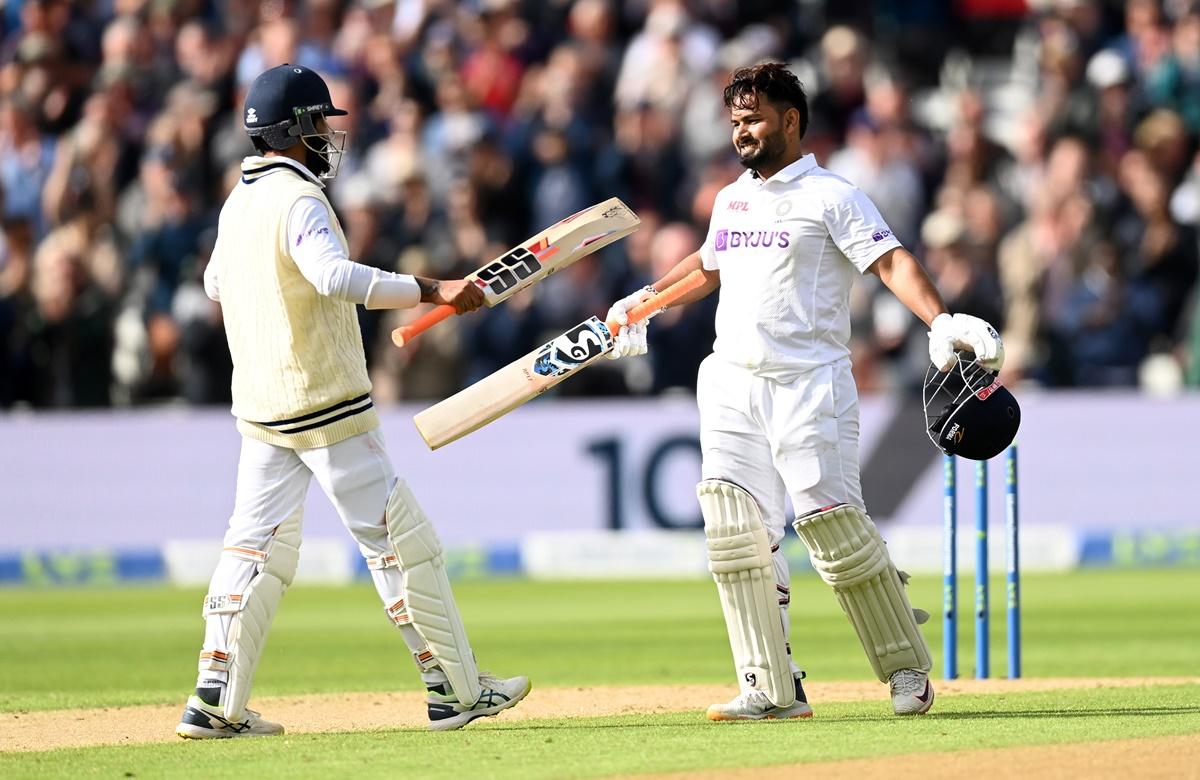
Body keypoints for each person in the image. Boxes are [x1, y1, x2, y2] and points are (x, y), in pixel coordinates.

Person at [606, 63, 1003, 720]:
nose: (742, 132)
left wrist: (942, 320)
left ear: (791, 121)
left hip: (809, 383)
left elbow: (891, 260)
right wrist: (644, 303)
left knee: (834, 532)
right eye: (735, 121)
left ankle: (906, 670)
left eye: (754, 119)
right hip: (731, 381)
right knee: (737, 534)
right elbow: (708, 267)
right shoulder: (732, 198)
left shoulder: (832, 195)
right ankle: (770, 685)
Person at [175, 64, 529, 739]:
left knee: (252, 551)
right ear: (293, 129)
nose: (328, 136)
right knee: (401, 544)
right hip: (326, 405)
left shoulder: (239, 200)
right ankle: (455, 690)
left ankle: (214, 698)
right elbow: (333, 276)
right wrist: (434, 288)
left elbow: (216, 283)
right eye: (319, 124)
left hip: (261, 408)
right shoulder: (300, 202)